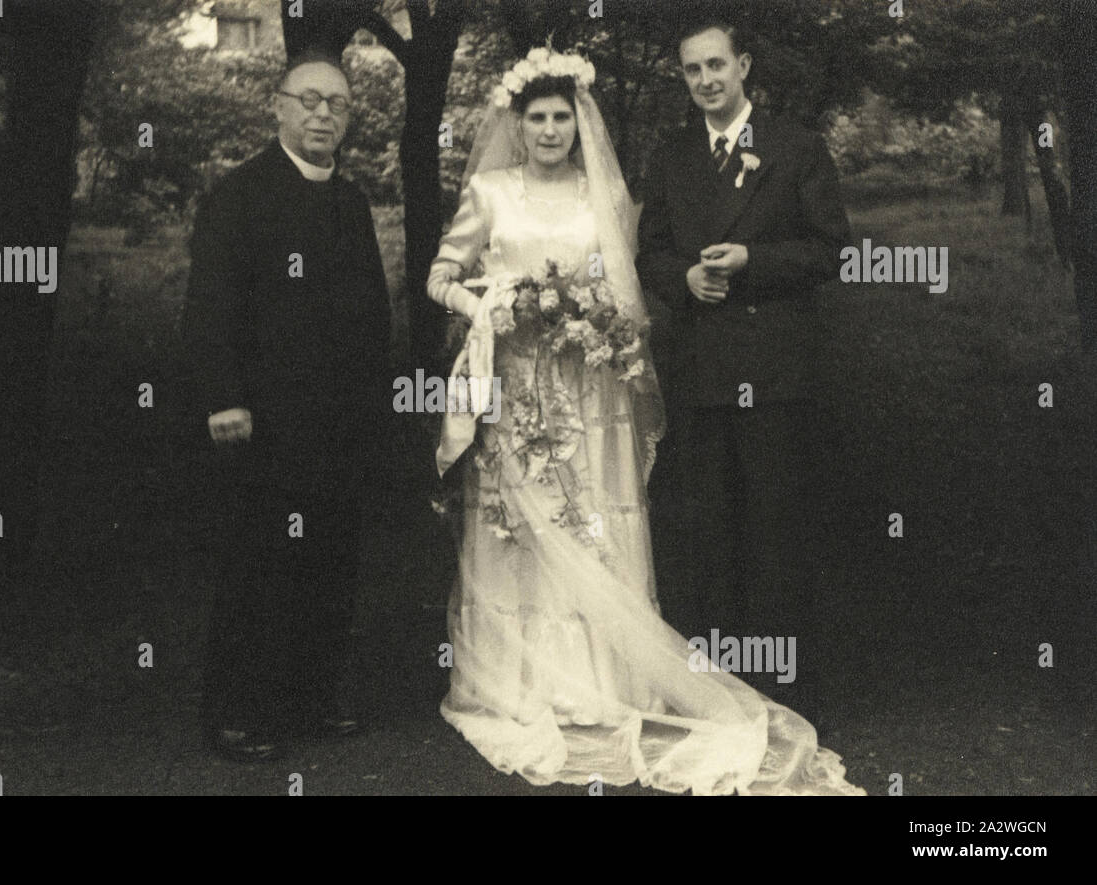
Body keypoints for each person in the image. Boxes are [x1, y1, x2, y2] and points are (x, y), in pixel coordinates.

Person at [428, 46, 862, 794]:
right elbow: (444, 275)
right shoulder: (492, 193)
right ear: (517, 124)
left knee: (605, 523)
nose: (553, 130)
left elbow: (630, 280)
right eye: (539, 118)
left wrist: (601, 321)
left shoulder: (613, 191)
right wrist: (489, 305)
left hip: (595, 392)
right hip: (521, 386)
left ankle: (622, 675)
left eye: (565, 116)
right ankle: (530, 681)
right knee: (523, 536)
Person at [636, 18, 851, 724]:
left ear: (744, 66)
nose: (706, 81)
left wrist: (753, 262)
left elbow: (829, 251)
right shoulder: (671, 155)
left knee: (776, 527)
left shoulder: (797, 148)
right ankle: (719, 691)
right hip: (701, 372)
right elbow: (651, 253)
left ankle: (788, 693)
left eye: (717, 66)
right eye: (692, 70)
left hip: (777, 371)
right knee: (707, 529)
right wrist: (686, 278)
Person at [182, 49, 392, 762]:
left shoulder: (351, 200)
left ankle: (310, 699)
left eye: (336, 103)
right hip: (263, 423)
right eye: (308, 100)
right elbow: (209, 306)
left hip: (336, 424)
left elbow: (369, 311)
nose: (322, 114)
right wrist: (224, 398)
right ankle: (237, 711)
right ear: (277, 106)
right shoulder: (239, 195)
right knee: (260, 564)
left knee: (330, 561)